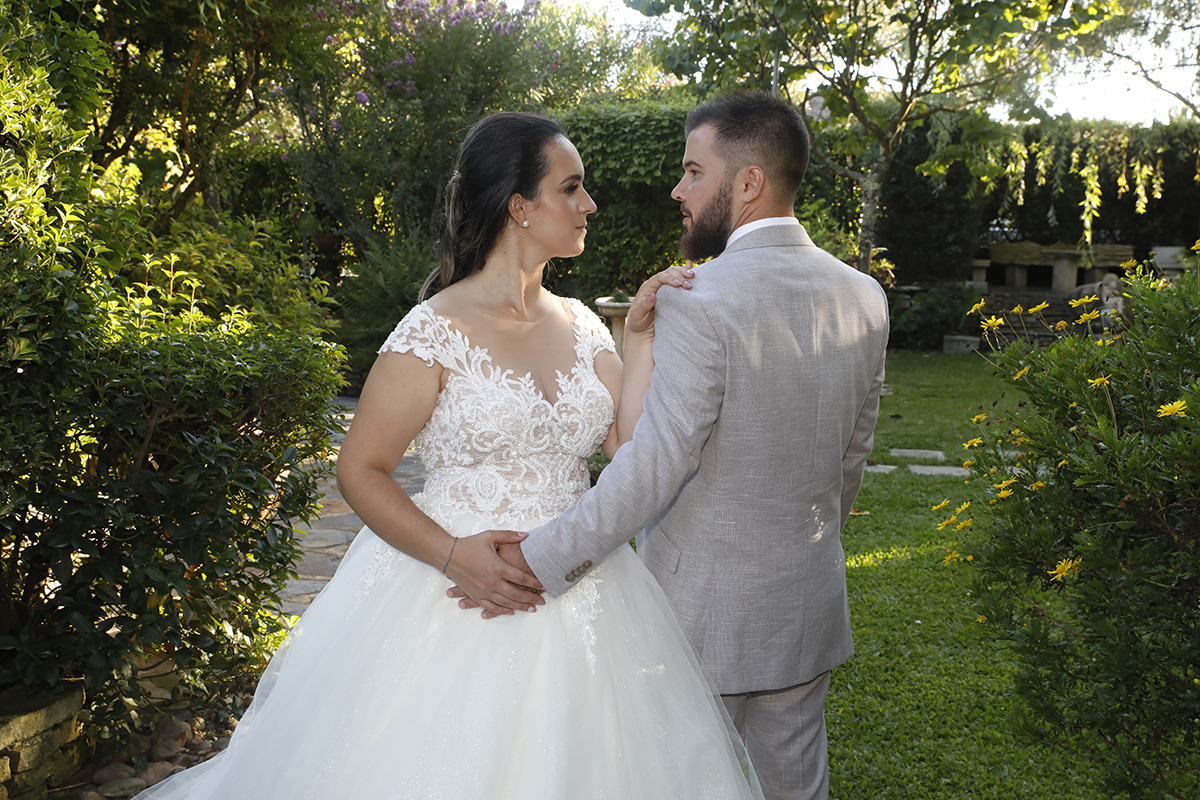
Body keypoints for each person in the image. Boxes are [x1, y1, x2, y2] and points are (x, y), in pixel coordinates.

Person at [131, 112, 764, 800]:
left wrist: (638, 340)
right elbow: (360, 469)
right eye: (572, 187)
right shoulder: (434, 330)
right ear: (519, 207)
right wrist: (452, 555)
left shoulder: (584, 325)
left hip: (587, 584)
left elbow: (627, 448)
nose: (590, 204)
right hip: (454, 591)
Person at [455, 93, 890, 800]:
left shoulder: (704, 300)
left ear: (748, 183)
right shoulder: (864, 296)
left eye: (693, 171)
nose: (677, 190)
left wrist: (535, 561)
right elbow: (851, 459)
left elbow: (651, 469)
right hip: (807, 605)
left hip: (701, 619)